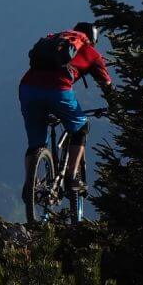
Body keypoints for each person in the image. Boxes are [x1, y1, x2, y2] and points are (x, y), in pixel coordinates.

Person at [19, 21, 112, 222]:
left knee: (35, 143)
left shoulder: (56, 40)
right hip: (58, 91)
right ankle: (71, 179)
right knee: (81, 126)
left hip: (27, 88)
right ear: (92, 39)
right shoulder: (90, 51)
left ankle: (30, 184)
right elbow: (106, 83)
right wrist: (113, 103)